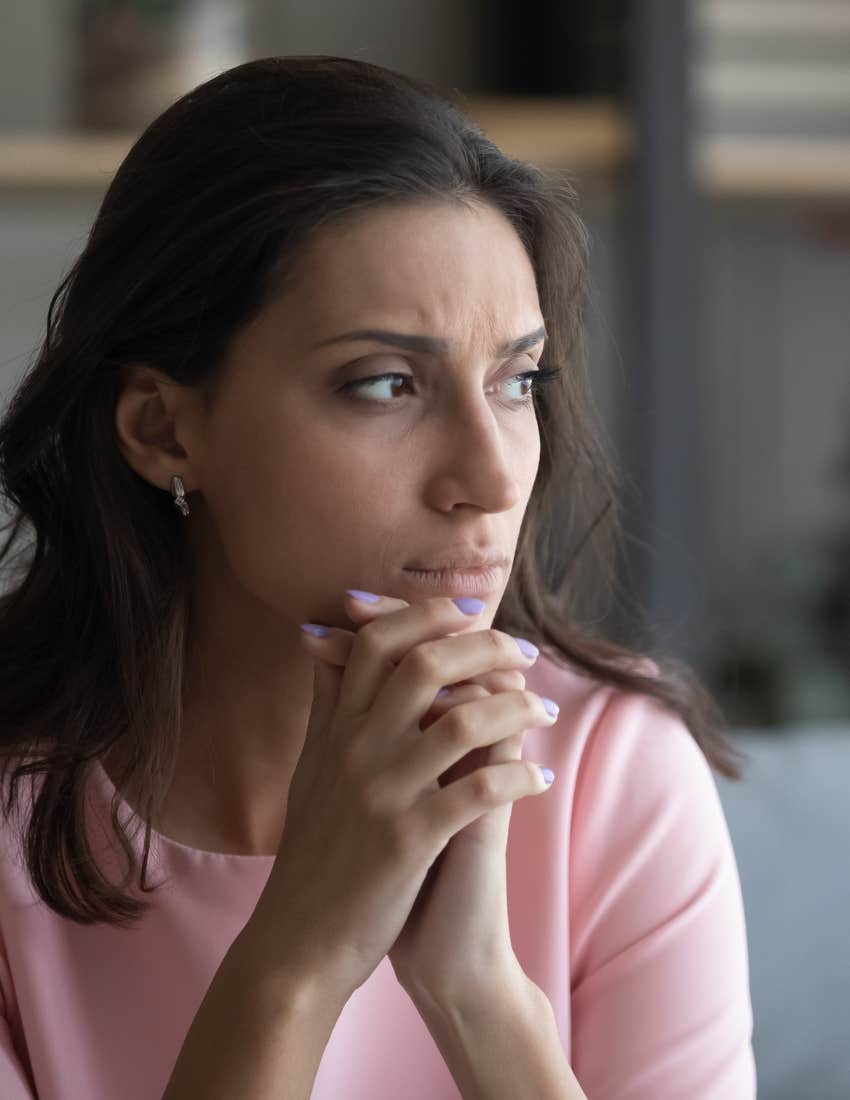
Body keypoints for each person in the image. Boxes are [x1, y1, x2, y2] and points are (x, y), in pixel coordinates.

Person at [0, 56, 755, 1099]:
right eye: (386, 383)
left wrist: (480, 994)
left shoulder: (611, 769)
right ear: (162, 427)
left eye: (516, 380)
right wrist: (296, 962)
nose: (490, 475)